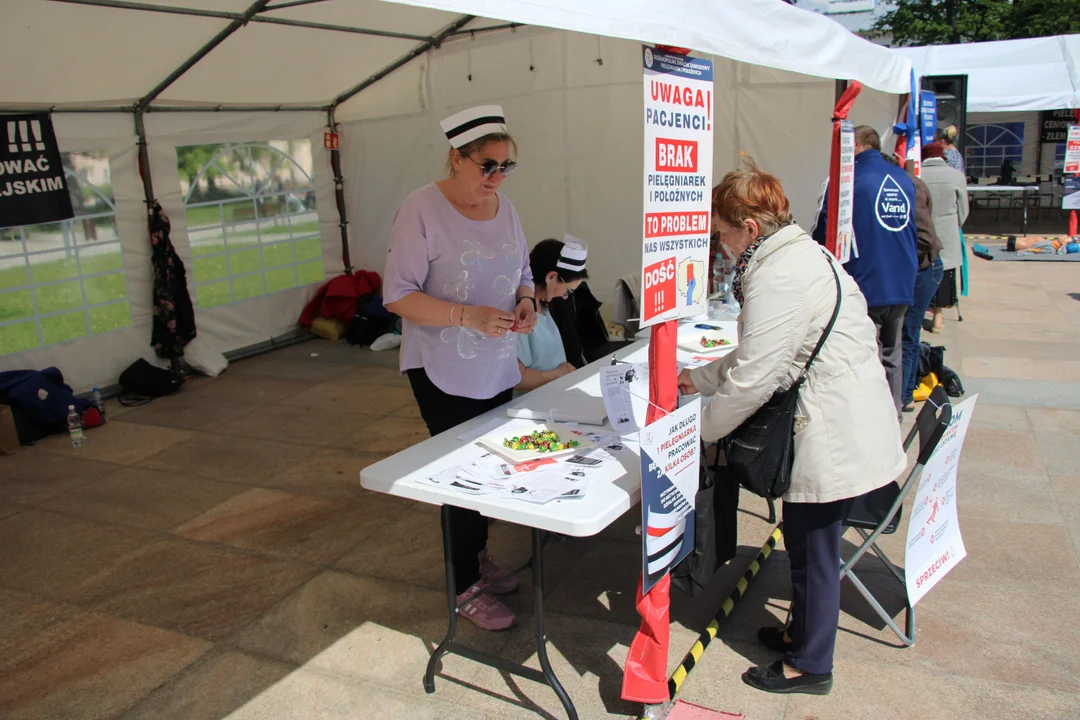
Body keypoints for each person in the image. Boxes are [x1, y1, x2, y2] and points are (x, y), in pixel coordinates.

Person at [678, 157, 905, 696]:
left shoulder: (779, 276)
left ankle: (812, 665)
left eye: (723, 234)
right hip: (840, 417)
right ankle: (802, 636)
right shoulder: (795, 255)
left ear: (749, 228)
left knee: (816, 550)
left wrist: (701, 432)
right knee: (806, 545)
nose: (722, 246)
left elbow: (756, 377)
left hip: (834, 430)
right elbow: (760, 353)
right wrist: (700, 379)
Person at [383, 105, 538, 631]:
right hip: (440, 367)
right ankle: (463, 584)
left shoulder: (507, 208)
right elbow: (397, 295)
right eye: (487, 166)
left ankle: (477, 557)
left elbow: (523, 269)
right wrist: (464, 315)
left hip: (496, 364)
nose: (496, 177)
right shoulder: (421, 208)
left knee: (491, 466)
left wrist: (527, 301)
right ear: (457, 158)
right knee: (460, 475)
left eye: (505, 167)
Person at [812, 125, 918, 417]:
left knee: (861, 358)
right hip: (901, 281)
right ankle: (892, 418)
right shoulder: (903, 179)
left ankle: (868, 420)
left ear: (855, 146)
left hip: (865, 283)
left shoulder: (848, 180)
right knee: (891, 354)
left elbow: (825, 230)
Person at [891, 152, 943, 412]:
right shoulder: (910, 185)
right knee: (905, 333)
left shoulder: (908, 186)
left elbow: (927, 239)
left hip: (923, 269)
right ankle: (904, 392)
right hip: (922, 268)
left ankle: (904, 395)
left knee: (908, 333)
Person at [515, 237, 588, 391]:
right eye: (567, 290)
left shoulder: (544, 307)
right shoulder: (522, 313)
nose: (565, 297)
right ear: (551, 277)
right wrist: (559, 373)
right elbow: (517, 379)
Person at [921, 141, 970, 334]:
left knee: (924, 271)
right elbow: (963, 210)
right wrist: (954, 224)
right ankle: (938, 318)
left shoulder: (916, 175)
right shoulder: (956, 176)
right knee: (945, 272)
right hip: (948, 230)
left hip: (924, 230)